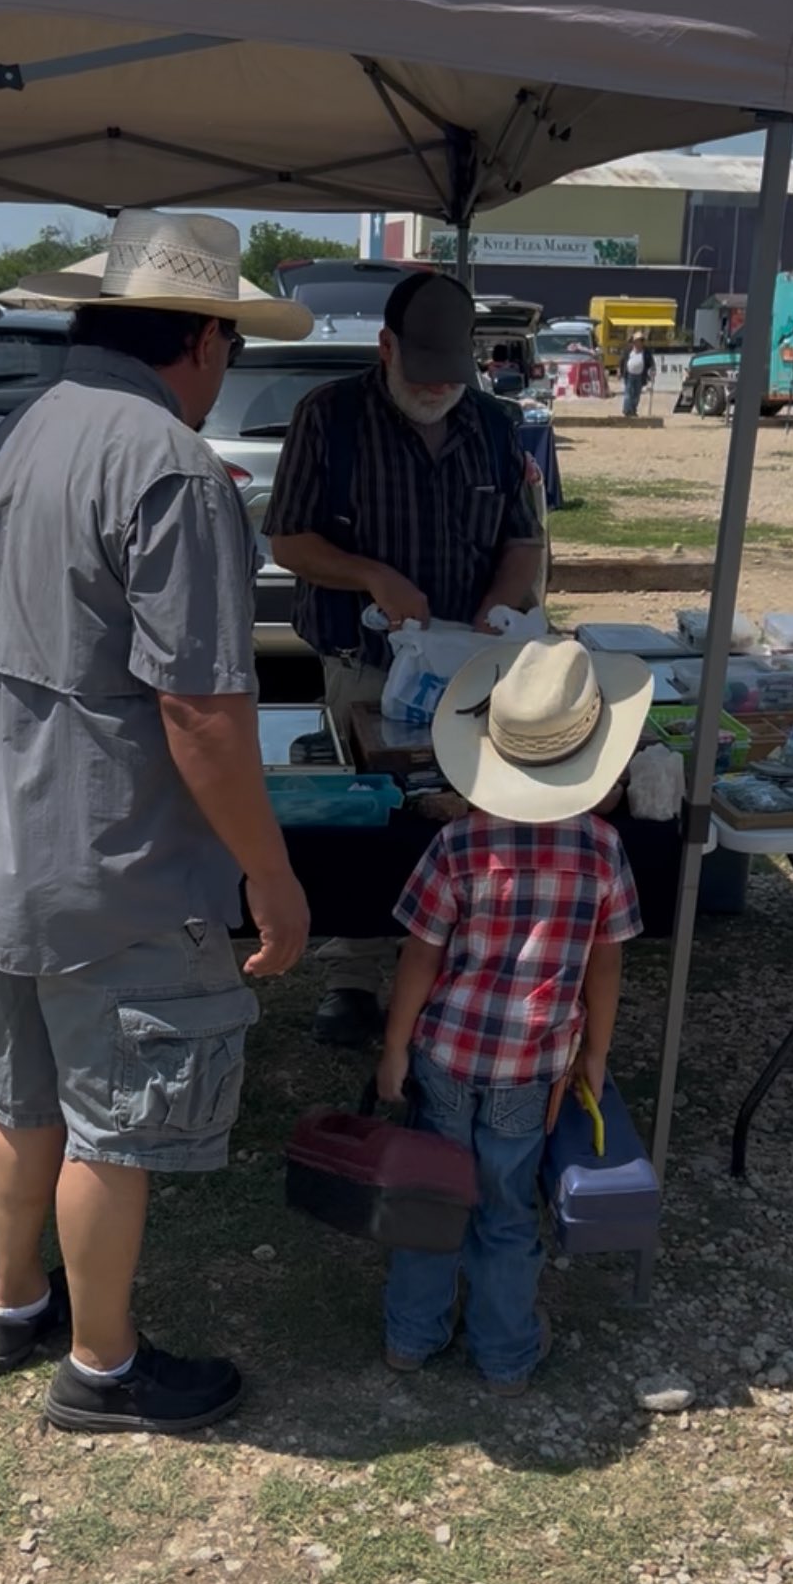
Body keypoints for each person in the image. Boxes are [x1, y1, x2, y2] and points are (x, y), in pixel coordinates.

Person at [0, 210, 313, 1437]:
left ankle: (13, 1303)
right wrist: (270, 875)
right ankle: (101, 1366)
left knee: (23, 1095)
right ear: (205, 339)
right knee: (112, 1121)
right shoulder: (169, 464)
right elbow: (201, 711)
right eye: (230, 347)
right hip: (111, 855)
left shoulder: (19, 429)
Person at [266, 271, 546, 1049]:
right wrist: (371, 575)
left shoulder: (495, 423)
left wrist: (498, 609)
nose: (435, 389)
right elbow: (288, 541)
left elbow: (522, 539)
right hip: (363, 661)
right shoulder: (329, 417)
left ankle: (455, 967)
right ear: (385, 347)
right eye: (421, 373)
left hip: (474, 662)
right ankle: (352, 975)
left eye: (449, 375)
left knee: (464, 811)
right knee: (371, 814)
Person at [376, 637, 649, 1393]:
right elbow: (605, 964)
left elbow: (419, 957)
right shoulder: (603, 850)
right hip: (532, 1066)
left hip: (445, 1054)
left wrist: (394, 1046)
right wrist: (596, 1052)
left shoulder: (457, 844)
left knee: (431, 1197)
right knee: (505, 1206)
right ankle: (504, 1353)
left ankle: (411, 1336)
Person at [619, 331, 655, 417]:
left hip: (640, 375)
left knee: (636, 394)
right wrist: (620, 371)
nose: (640, 343)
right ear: (634, 341)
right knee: (628, 393)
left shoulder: (646, 351)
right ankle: (627, 410)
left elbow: (651, 362)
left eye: (641, 340)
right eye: (638, 340)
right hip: (629, 374)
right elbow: (622, 361)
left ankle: (633, 410)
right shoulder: (628, 350)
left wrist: (652, 370)